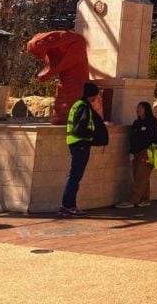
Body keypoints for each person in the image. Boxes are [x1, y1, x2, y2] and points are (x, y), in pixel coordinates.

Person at [60, 82, 108, 217]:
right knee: (75, 177)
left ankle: (66, 205)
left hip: (75, 144)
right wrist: (92, 136)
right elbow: (80, 128)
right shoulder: (83, 107)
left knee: (73, 176)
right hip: (80, 144)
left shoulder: (78, 105)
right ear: (92, 95)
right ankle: (69, 205)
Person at [116, 101, 157, 209]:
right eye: (137, 108)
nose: (137, 110)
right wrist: (131, 151)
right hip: (137, 153)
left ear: (146, 109)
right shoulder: (136, 123)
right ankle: (144, 199)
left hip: (149, 152)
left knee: (140, 177)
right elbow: (133, 138)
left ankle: (132, 200)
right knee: (141, 177)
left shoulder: (153, 122)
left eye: (140, 108)